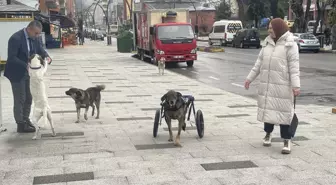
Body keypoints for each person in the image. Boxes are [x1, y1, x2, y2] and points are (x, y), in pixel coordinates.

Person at [244, 18, 300, 154]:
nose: (269, 30)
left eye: (271, 28)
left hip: (283, 85)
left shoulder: (290, 45)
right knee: (268, 110)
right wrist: (249, 79)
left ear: (279, 28)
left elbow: (294, 67)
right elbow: (258, 64)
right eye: (269, 28)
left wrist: (296, 86)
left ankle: (287, 140)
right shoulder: (267, 44)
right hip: (267, 84)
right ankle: (267, 134)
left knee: (284, 113)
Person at [4, 20, 52, 133]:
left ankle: (26, 120)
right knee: (20, 98)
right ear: (29, 29)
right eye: (36, 33)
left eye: (38, 34)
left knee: (29, 97)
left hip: (30, 73)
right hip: (16, 72)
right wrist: (25, 65)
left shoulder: (35, 38)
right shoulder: (16, 38)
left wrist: (47, 57)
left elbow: (40, 50)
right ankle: (20, 124)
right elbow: (12, 57)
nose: (37, 36)